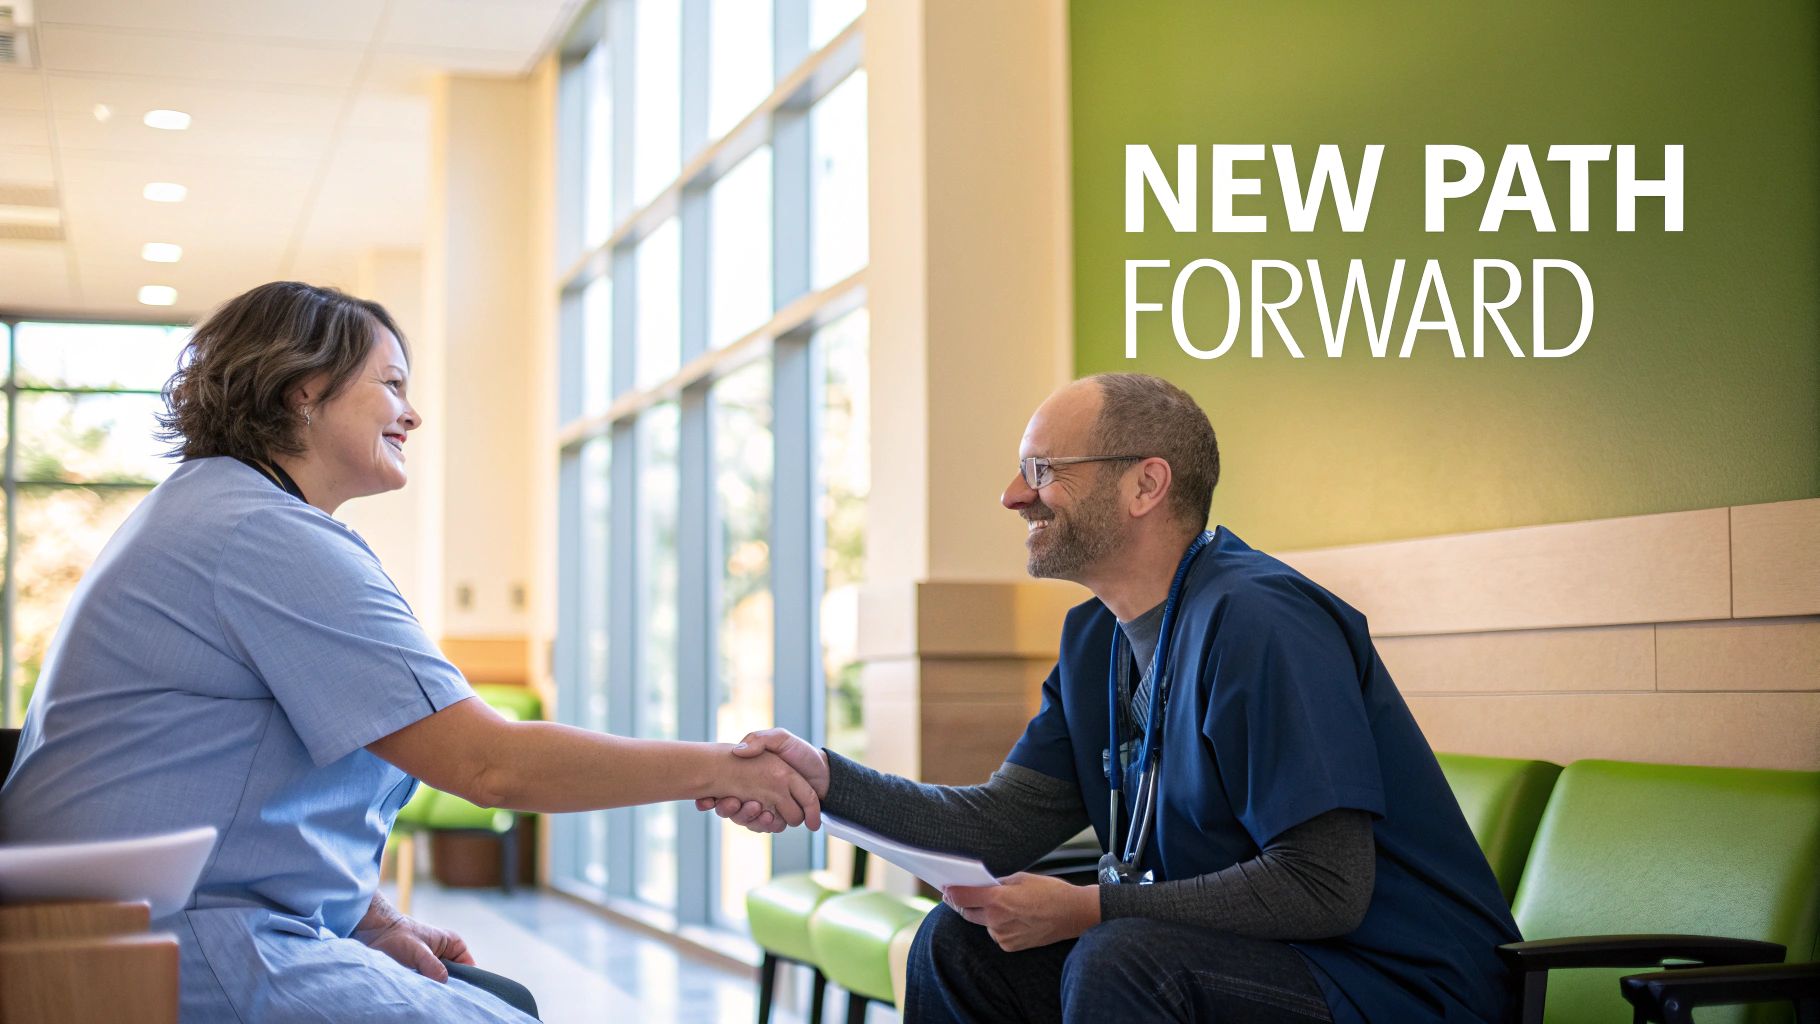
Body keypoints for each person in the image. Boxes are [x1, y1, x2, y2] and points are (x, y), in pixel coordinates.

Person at [0, 282, 819, 1023]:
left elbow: (223, 780)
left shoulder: (215, 513)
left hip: (163, 918)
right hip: (181, 937)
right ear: (307, 392)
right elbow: (491, 766)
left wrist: (371, 918)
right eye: (391, 385)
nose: (412, 414)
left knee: (500, 997)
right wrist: (722, 767)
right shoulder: (262, 535)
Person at [702, 373, 1521, 1023]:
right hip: (1247, 964)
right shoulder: (1096, 638)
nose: (1013, 497)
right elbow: (998, 826)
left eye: (1042, 471)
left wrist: (1089, 908)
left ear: (1145, 485)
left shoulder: (1261, 620)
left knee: (1120, 957)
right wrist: (821, 779)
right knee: (958, 944)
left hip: (1400, 985)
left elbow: (1325, 886)